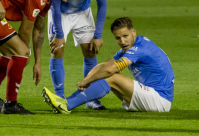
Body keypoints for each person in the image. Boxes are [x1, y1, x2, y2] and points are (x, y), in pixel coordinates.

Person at [0, 0, 83, 115]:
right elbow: (25, 30)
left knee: (10, 55)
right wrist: (25, 54)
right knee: (20, 52)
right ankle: (10, 104)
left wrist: (37, 62)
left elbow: (39, 30)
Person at [42, 17, 175, 114]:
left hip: (160, 100)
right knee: (104, 72)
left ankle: (67, 105)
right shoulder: (130, 47)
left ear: (133, 32)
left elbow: (111, 70)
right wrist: (89, 79)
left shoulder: (140, 48)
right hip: (151, 95)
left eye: (125, 36)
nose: (122, 41)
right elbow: (105, 65)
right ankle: (65, 101)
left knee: (110, 76)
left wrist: (86, 80)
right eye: (118, 38)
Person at [48, 0, 107, 110]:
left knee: (90, 51)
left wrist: (98, 35)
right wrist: (59, 35)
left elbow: (102, 5)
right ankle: (59, 98)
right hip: (60, 12)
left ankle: (90, 99)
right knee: (57, 50)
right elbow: (54, 2)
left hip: (82, 12)